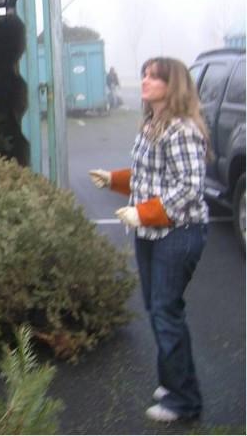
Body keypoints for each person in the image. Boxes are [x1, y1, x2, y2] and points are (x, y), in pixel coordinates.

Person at [88, 57, 208, 423]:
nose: (145, 80)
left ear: (173, 86)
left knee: (165, 312)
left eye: (154, 77)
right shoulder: (152, 124)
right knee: (160, 309)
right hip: (151, 233)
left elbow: (189, 188)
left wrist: (144, 213)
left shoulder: (182, 129)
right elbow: (146, 177)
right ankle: (173, 380)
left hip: (177, 234)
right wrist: (113, 179)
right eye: (143, 74)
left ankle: (185, 400)